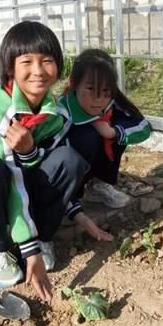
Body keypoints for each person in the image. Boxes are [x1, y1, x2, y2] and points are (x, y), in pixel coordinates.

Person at [0, 21, 88, 302]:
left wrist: (28, 152)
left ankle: (42, 236)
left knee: (69, 160)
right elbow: (9, 175)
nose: (38, 71)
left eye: (46, 61)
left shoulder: (55, 114)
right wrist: (29, 251)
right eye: (27, 62)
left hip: (19, 187)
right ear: (10, 67)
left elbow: (44, 165)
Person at [56, 48, 151, 238]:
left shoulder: (110, 104)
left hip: (89, 164)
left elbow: (143, 127)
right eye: (91, 89)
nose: (98, 99)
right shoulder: (61, 113)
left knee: (117, 130)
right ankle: (70, 199)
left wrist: (113, 132)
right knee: (87, 137)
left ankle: (98, 185)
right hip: (63, 177)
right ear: (74, 83)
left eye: (106, 91)